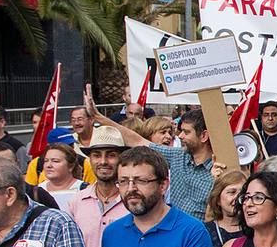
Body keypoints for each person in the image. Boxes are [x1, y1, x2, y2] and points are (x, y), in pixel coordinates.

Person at [87, 88, 216, 219]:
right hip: (173, 232)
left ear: (204, 136)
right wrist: (98, 117)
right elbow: (137, 140)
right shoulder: (178, 156)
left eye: (187, 132)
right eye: (181, 131)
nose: (179, 136)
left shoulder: (219, 168)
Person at [98, 147, 215, 247]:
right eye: (123, 181)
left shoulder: (192, 232)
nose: (130, 189)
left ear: (163, 185)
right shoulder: (111, 233)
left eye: (140, 180)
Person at [68, 127, 130, 247]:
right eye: (96, 155)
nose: (103, 161)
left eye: (111, 155)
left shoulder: (135, 200)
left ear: (122, 159)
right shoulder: (76, 201)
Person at [202, 170, 247, 247]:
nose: (238, 197)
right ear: (218, 199)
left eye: (243, 193)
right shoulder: (204, 231)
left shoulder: (254, 229)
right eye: (232, 192)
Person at [38, 143, 88, 213]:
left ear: (71, 166)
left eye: (55, 161)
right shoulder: (37, 190)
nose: (48, 165)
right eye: (46, 161)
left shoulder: (85, 190)